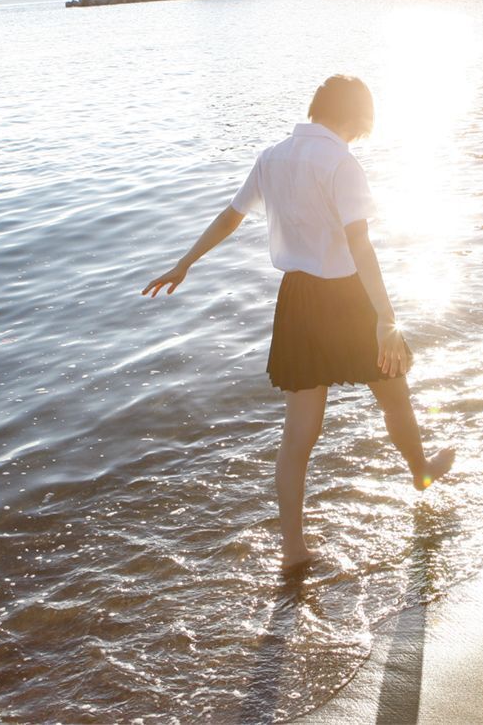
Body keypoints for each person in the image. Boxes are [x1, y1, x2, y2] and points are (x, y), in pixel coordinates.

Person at [141, 74, 454, 571]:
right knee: (394, 394)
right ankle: (420, 472)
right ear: (358, 115)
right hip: (348, 298)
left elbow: (230, 216)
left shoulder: (272, 156)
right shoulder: (341, 163)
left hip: (299, 300)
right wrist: (385, 317)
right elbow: (359, 244)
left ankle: (293, 549)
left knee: (298, 433)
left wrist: (185, 262)